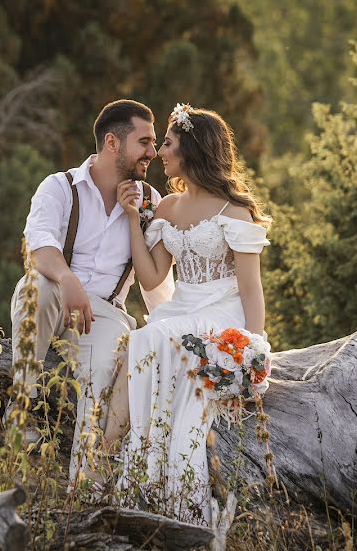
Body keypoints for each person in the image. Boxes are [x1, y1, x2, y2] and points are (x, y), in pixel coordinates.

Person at [104, 103, 271, 524]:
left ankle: (144, 474)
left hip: (221, 309)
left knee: (153, 339)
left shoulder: (234, 211)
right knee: (143, 340)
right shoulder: (168, 208)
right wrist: (130, 218)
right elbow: (153, 274)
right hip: (181, 306)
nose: (160, 151)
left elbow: (251, 288)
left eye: (168, 143)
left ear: (191, 150)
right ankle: (122, 463)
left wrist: (254, 347)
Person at [8, 99, 170, 483]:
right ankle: (23, 405)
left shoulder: (150, 203)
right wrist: (69, 281)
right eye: (144, 143)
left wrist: (167, 330)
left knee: (105, 371)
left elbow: (155, 283)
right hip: (54, 294)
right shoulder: (60, 186)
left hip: (106, 315)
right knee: (37, 286)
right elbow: (38, 244)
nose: (152, 152)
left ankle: (85, 485)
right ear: (113, 142)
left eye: (154, 143)